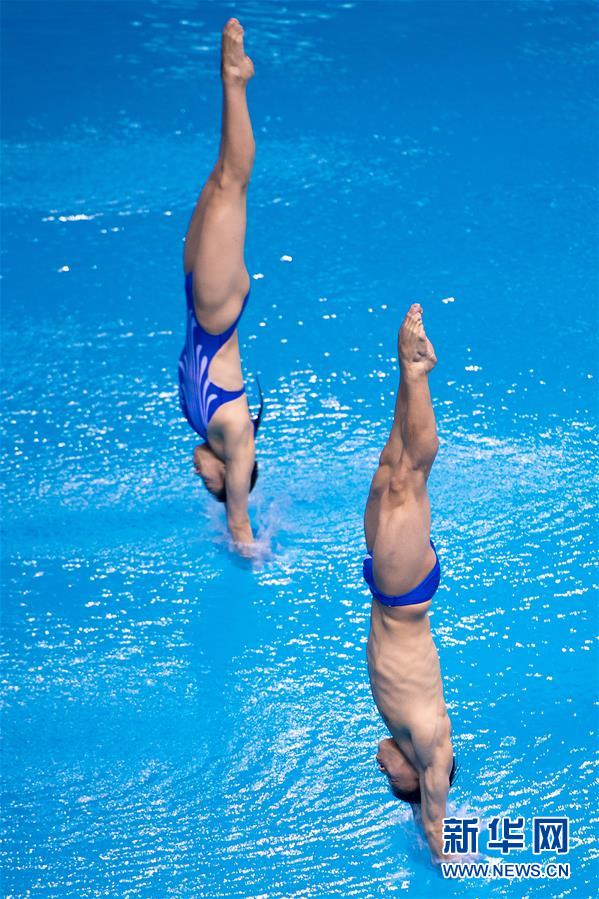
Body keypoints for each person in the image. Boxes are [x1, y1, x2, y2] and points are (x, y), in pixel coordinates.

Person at [364, 304, 458, 863]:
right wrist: (439, 841)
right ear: (414, 779)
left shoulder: (395, 726)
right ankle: (417, 368)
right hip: (404, 596)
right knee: (410, 478)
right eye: (390, 778)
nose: (382, 768)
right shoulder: (430, 745)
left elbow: (388, 754)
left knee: (389, 467)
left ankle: (408, 373)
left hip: (382, 582)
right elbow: (438, 804)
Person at [178, 19, 262, 548]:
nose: (200, 479)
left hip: (194, 298)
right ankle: (236, 79)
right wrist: (251, 552)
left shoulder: (202, 427)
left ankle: (233, 83)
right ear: (229, 476)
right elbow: (240, 523)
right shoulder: (237, 441)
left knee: (217, 177)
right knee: (234, 182)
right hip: (215, 310)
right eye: (212, 485)